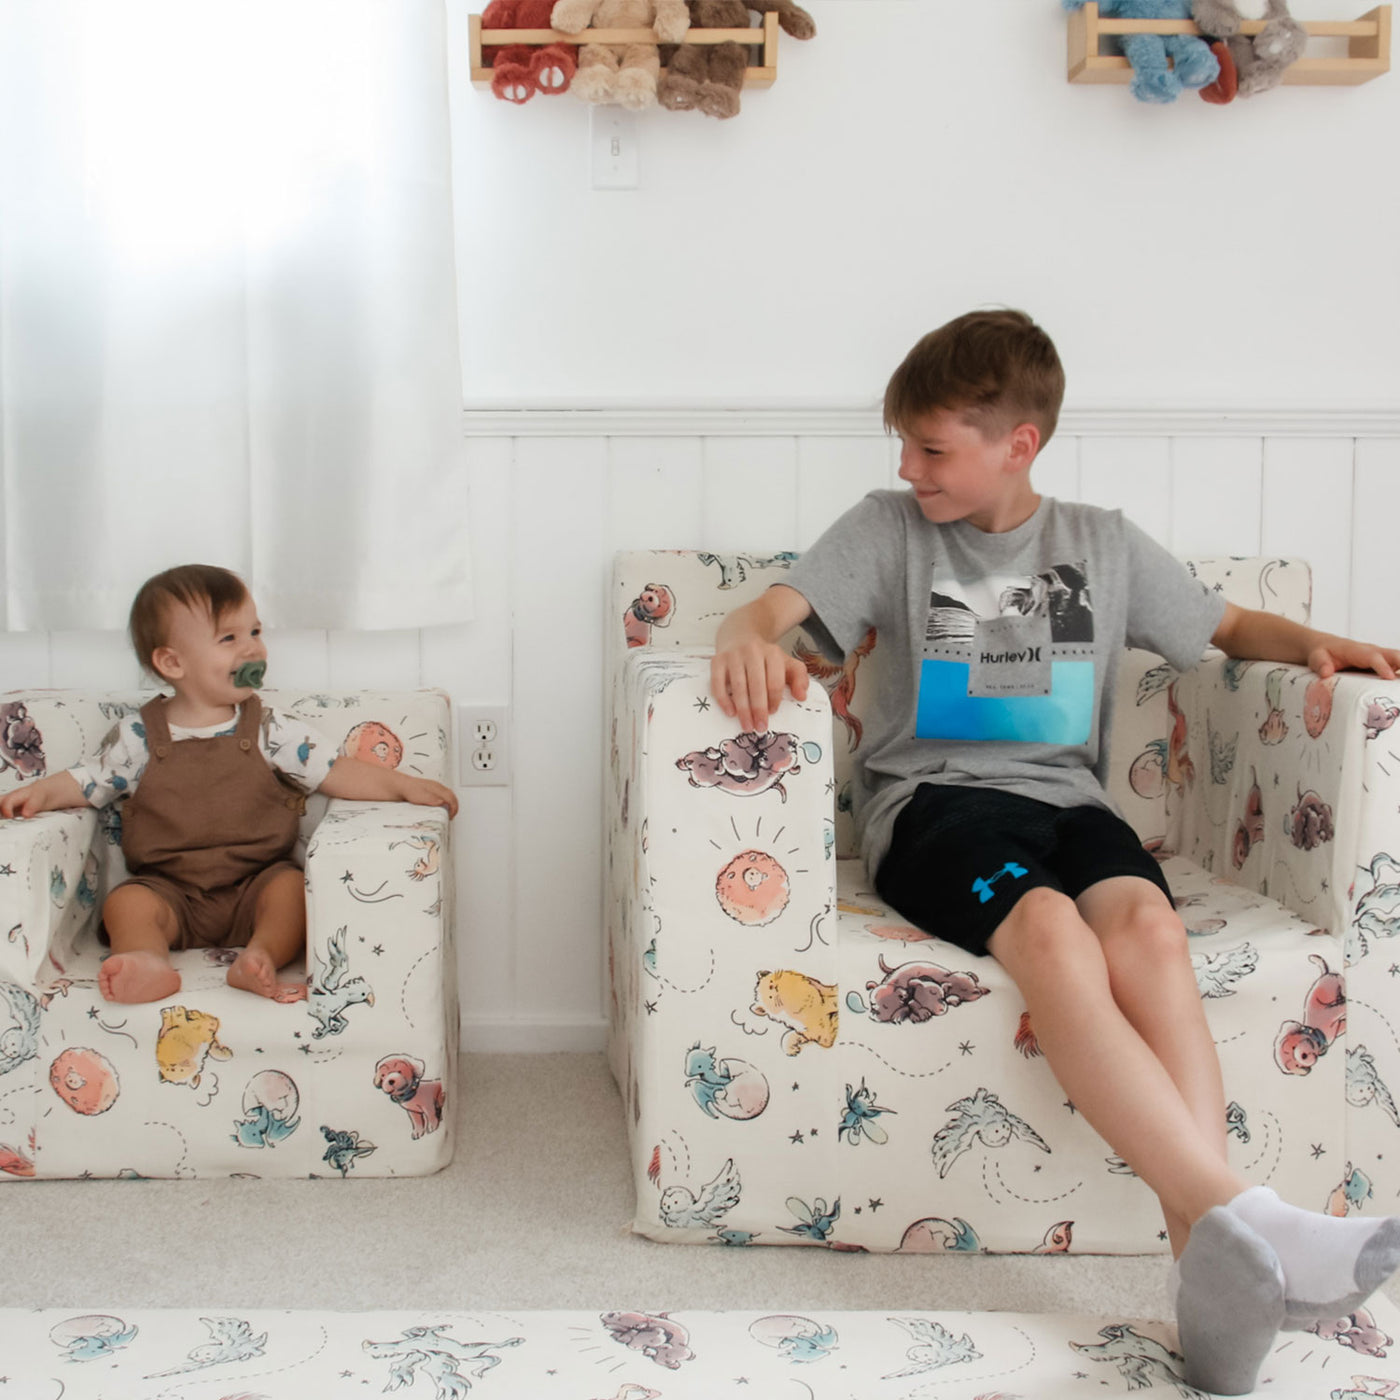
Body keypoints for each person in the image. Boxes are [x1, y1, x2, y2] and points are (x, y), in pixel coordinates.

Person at [708, 309, 1400, 1396]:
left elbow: (1224, 628)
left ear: (1017, 443)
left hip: (1068, 806)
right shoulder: (889, 529)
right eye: (905, 446)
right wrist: (743, 639)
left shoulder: (1102, 543)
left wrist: (1317, 644)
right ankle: (1247, 1218)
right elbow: (768, 611)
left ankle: (1215, 1276)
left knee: (1150, 931)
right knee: (1050, 931)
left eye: (931, 448)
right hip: (934, 807)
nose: (908, 467)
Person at [0, 564, 457, 1006]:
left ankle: (261, 956)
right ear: (172, 662)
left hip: (257, 882)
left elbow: (334, 770)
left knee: (294, 890)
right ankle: (147, 960)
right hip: (168, 890)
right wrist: (37, 793)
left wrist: (403, 786)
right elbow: (88, 781)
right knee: (125, 904)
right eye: (229, 638)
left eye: (255, 632)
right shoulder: (138, 738)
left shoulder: (270, 730)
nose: (252, 648)